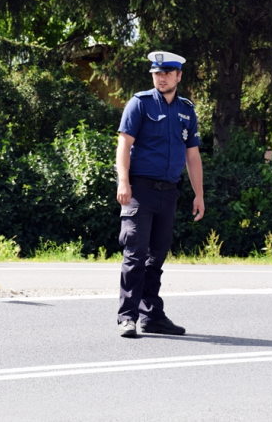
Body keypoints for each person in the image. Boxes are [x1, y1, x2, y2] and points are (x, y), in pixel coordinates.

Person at [115, 51, 205, 338]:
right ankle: (127, 317)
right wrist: (123, 182)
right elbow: (123, 144)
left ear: (178, 76)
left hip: (169, 193)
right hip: (140, 190)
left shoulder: (186, 110)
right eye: (156, 73)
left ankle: (152, 315)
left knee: (157, 257)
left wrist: (198, 195)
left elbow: (192, 156)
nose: (161, 77)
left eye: (167, 72)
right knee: (135, 253)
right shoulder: (139, 104)